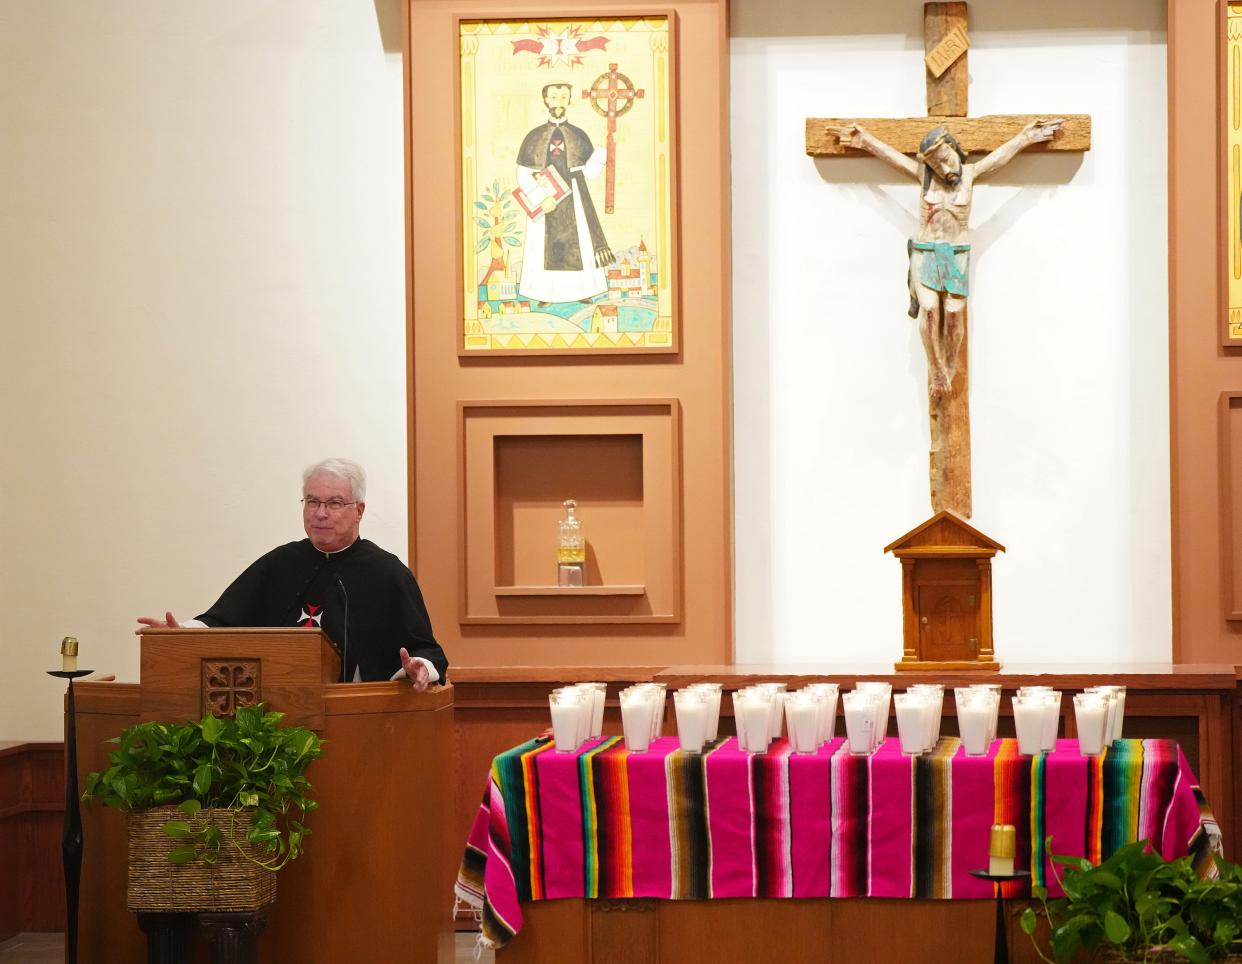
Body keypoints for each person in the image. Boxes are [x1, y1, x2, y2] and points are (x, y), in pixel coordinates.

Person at [136, 458, 447, 690]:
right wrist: (182, 632)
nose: (320, 512)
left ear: (359, 511)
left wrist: (420, 668)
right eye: (312, 501)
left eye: (334, 502)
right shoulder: (281, 563)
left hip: (359, 721)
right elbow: (225, 618)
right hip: (278, 717)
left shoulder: (387, 572)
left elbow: (425, 650)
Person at [828, 118, 1062, 398]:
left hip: (956, 254)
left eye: (945, 158)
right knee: (928, 309)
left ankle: (949, 364)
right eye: (935, 164)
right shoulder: (923, 176)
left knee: (952, 313)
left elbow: (999, 158)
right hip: (926, 251)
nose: (943, 168)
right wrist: (864, 140)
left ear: (955, 149)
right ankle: (936, 369)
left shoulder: (970, 174)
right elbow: (892, 158)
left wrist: (1026, 137)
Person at [515, 82, 615, 305]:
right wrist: (542, 198)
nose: (558, 102)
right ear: (545, 101)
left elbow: (589, 174)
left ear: (569, 101)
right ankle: (545, 294)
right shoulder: (534, 136)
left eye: (563, 97)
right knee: (544, 245)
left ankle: (582, 290)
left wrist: (600, 154)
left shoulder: (579, 135)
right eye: (554, 97)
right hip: (546, 200)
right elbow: (522, 174)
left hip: (576, 199)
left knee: (580, 243)